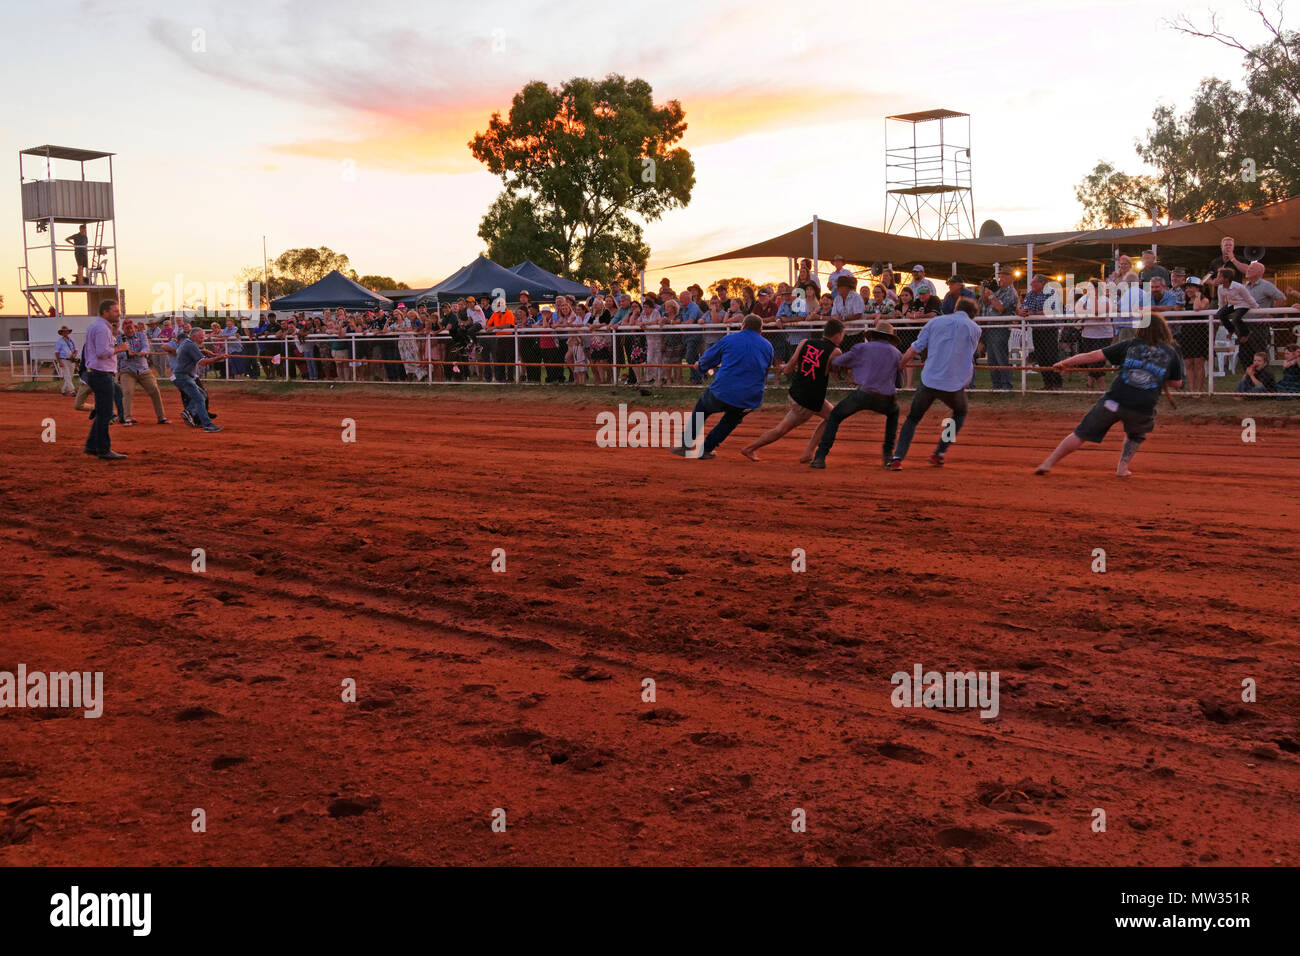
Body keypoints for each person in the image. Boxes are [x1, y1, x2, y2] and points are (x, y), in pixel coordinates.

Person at [1034, 313, 1183, 478]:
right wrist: (1156, 375)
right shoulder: (1171, 353)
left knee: (1081, 433)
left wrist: (1065, 363)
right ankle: (1122, 467)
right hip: (1142, 407)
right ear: (1164, 330)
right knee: (1135, 435)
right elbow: (1177, 384)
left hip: (1115, 400)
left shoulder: (1130, 345)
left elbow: (1093, 356)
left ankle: (1048, 462)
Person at [887, 289, 982, 470]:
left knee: (913, 418)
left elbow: (914, 349)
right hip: (953, 384)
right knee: (959, 413)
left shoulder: (935, 322)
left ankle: (898, 457)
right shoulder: (975, 329)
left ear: (955, 308)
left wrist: (899, 366)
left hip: (930, 379)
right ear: (972, 315)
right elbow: (968, 356)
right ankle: (939, 452)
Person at [741, 318, 844, 462]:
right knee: (781, 430)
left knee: (833, 416)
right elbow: (835, 371)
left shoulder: (805, 342)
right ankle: (750, 448)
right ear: (838, 335)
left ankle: (808, 453)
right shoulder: (836, 351)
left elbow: (788, 369)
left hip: (797, 393)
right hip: (809, 400)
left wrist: (788, 367)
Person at [672, 315, 773, 460]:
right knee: (731, 420)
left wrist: (700, 366)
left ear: (742, 325)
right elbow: (765, 370)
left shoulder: (730, 339)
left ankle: (685, 444)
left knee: (702, 408)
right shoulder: (768, 346)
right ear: (761, 330)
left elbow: (709, 357)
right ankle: (706, 449)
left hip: (723, 390)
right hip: (750, 396)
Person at [810, 319, 903, 469]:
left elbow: (837, 362)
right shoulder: (897, 353)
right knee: (893, 414)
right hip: (885, 399)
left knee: (835, 416)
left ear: (873, 335)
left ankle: (820, 457)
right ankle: (888, 457)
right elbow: (899, 383)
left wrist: (853, 365)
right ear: (891, 338)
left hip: (863, 394)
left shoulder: (862, 348)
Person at [82, 299, 130, 460]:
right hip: (102, 373)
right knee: (105, 414)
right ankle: (103, 449)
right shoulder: (102, 328)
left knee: (103, 412)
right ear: (105, 312)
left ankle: (91, 445)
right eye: (115, 311)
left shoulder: (98, 326)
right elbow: (102, 353)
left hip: (98, 373)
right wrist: (120, 348)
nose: (118, 314)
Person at [117, 318, 169, 425]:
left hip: (143, 369)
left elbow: (146, 346)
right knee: (127, 392)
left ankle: (161, 417)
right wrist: (126, 354)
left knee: (154, 390)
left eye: (131, 328)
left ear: (134, 327)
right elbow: (116, 353)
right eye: (127, 329)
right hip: (127, 370)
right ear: (123, 329)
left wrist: (143, 352)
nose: (130, 330)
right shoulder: (118, 338)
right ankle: (127, 418)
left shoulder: (141, 335)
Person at [173, 329, 225, 432]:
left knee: (203, 395)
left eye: (203, 337)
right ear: (193, 337)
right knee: (200, 399)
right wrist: (219, 358)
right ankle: (207, 425)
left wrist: (202, 351)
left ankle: (188, 411)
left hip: (182, 376)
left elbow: (184, 352)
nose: (203, 339)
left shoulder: (186, 343)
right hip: (184, 377)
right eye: (201, 337)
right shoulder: (190, 345)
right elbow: (203, 362)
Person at [1018, 274, 1061, 390]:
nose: (1031, 284)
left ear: (1042, 283)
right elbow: (1025, 307)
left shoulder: (1051, 293)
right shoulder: (1030, 294)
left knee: (1051, 356)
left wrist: (1034, 313)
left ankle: (1056, 383)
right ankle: (1047, 383)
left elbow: (1051, 310)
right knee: (1041, 357)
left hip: (1049, 329)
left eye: (1034, 282)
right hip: (1036, 330)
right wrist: (1022, 312)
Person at [979, 268, 1019, 391]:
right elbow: (985, 304)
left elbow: (1000, 308)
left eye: (1002, 276)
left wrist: (990, 295)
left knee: (1001, 357)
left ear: (1010, 278)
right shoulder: (1000, 291)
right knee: (992, 358)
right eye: (999, 276)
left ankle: (1006, 385)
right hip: (991, 326)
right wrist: (984, 292)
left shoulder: (1011, 293)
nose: (1000, 279)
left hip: (1000, 327)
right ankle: (996, 385)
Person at [53, 324, 79, 396]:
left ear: (68, 332)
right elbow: (56, 352)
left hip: (71, 360)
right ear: (61, 333)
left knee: (70, 376)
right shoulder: (59, 342)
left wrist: (74, 355)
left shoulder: (71, 341)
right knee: (67, 375)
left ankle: (63, 389)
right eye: (63, 332)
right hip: (63, 360)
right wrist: (59, 362)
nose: (65, 333)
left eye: (66, 331)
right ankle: (72, 390)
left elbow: (76, 349)